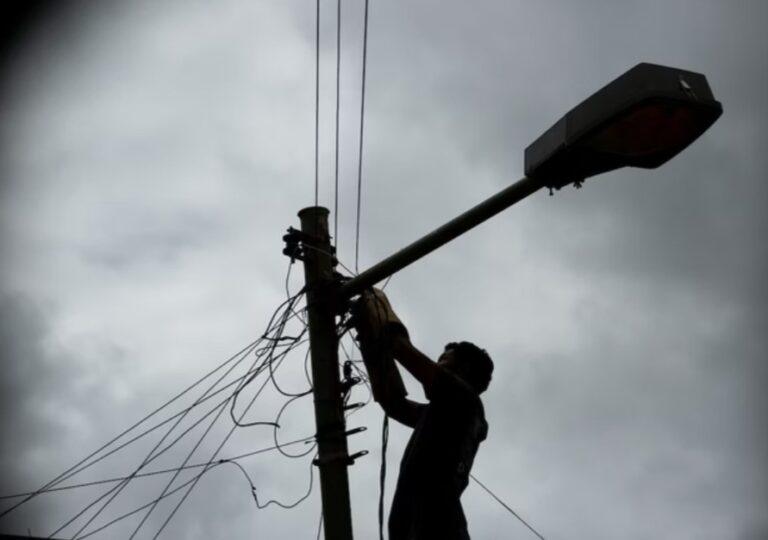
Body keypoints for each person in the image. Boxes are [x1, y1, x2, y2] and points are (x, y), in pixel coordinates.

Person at [352, 288, 494, 540]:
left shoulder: (465, 400)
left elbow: (400, 348)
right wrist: (369, 340)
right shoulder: (446, 414)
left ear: (465, 367)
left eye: (443, 361)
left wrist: (375, 303)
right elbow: (393, 403)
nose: (436, 364)